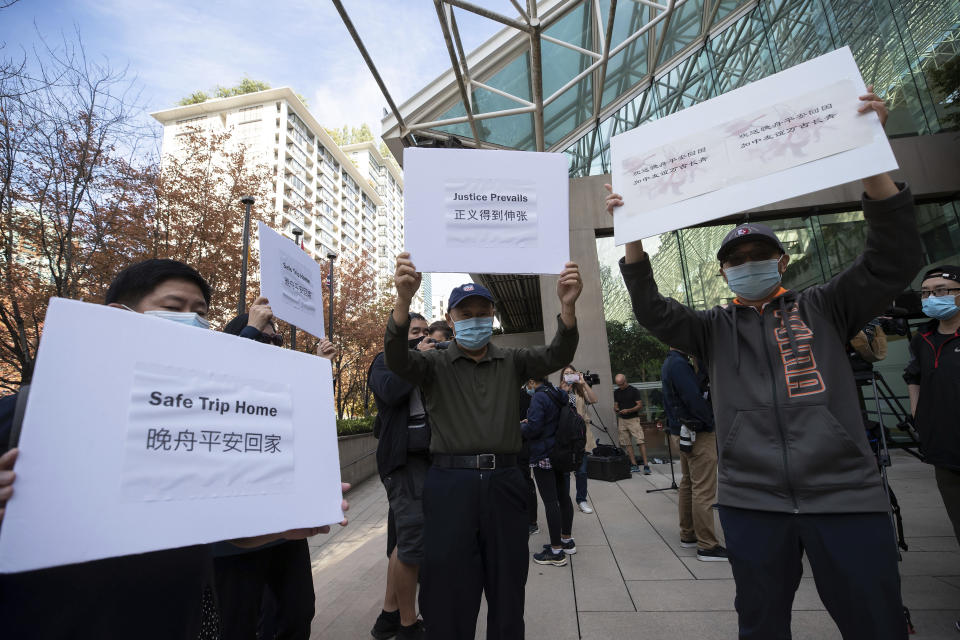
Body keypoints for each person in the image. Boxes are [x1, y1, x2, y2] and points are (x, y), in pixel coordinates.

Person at [606, 88, 921, 640]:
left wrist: (872, 155)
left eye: (759, 258)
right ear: (724, 272)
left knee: (876, 624)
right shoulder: (711, 329)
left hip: (845, 497)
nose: (747, 266)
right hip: (752, 502)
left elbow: (893, 256)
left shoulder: (824, 305)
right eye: (735, 261)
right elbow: (652, 310)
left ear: (781, 261)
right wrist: (629, 231)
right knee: (760, 623)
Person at [0, 258, 349, 640]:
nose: (192, 322)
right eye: (172, 309)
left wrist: (277, 526)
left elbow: (211, 527)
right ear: (119, 316)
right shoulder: (25, 415)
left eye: (200, 313)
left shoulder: (201, 423)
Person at [385, 253, 581, 640]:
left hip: (506, 481)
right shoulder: (434, 364)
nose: (475, 318)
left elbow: (558, 354)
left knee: (508, 583)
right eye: (466, 312)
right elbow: (395, 360)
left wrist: (567, 308)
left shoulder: (512, 360)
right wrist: (403, 302)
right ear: (451, 316)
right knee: (448, 589)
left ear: (492, 316)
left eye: (482, 312)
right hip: (449, 484)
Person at [211, 300, 336, 640]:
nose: (273, 346)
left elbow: (313, 427)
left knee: (296, 612)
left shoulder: (285, 387)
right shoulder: (217, 390)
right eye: (262, 339)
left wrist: (318, 371)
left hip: (285, 528)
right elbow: (229, 378)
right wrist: (252, 329)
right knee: (238, 621)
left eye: (277, 340)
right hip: (236, 534)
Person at [368, 311, 432, 640]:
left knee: (404, 542)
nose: (421, 337)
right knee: (411, 544)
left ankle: (389, 616)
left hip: (432, 462)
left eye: (425, 331)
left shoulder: (431, 360)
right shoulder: (383, 362)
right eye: (413, 331)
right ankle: (408, 624)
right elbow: (391, 392)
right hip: (403, 463)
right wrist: (417, 359)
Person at [904, 266, 960, 547]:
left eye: (941, 291)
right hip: (944, 449)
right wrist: (918, 414)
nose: (931, 298)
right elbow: (913, 377)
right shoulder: (922, 338)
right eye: (925, 293)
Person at [660, 348, 725, 562]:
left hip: (683, 432)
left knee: (688, 484)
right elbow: (693, 399)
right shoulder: (679, 365)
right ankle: (707, 545)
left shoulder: (672, 363)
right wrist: (709, 422)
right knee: (703, 489)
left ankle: (688, 534)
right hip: (697, 432)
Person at [522, 377, 576, 566]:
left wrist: (521, 426)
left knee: (550, 502)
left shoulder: (538, 397)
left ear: (531, 381)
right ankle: (566, 540)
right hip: (561, 453)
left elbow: (534, 428)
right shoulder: (557, 392)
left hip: (544, 454)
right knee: (563, 497)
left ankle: (556, 551)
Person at [559, 365, 598, 513]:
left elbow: (594, 400)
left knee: (581, 471)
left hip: (581, 435)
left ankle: (581, 500)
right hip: (564, 435)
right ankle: (564, 501)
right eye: (566, 374)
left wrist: (584, 383)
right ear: (562, 377)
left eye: (571, 373)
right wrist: (563, 391)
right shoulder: (559, 390)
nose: (569, 375)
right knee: (564, 473)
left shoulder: (580, 390)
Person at [613, 373, 651, 474]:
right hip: (622, 420)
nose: (620, 386)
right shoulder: (616, 392)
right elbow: (616, 405)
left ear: (625, 381)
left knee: (640, 441)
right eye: (618, 384)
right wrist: (616, 409)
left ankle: (646, 465)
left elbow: (639, 405)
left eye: (621, 384)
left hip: (633, 419)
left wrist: (629, 410)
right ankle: (634, 465)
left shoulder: (634, 390)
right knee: (627, 443)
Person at [519, 378, 540, 535]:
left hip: (522, 444)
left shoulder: (529, 397)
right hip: (512, 444)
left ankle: (531, 521)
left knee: (525, 481)